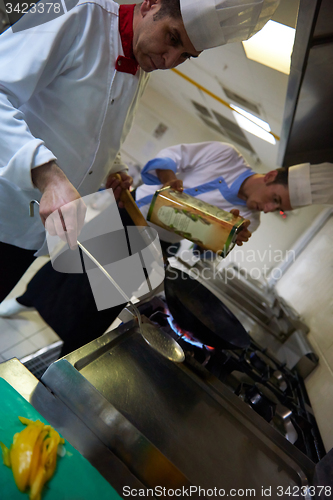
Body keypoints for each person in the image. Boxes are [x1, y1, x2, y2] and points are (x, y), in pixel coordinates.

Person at [0, 0, 280, 303]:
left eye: (185, 55)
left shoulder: (141, 67)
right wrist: (50, 178)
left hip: (27, 231)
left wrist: (113, 168)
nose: (170, 60)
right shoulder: (80, 12)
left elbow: (95, 137)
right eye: (173, 38)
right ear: (150, 4)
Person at [2, 141, 332, 358]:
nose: (269, 208)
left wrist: (222, 237)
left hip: (156, 242)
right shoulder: (226, 156)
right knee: (72, 269)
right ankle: (24, 301)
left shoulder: (247, 221)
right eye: (275, 198)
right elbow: (172, 157)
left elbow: (202, 253)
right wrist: (171, 178)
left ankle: (67, 351)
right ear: (271, 175)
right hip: (130, 211)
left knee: (100, 301)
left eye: (278, 208)